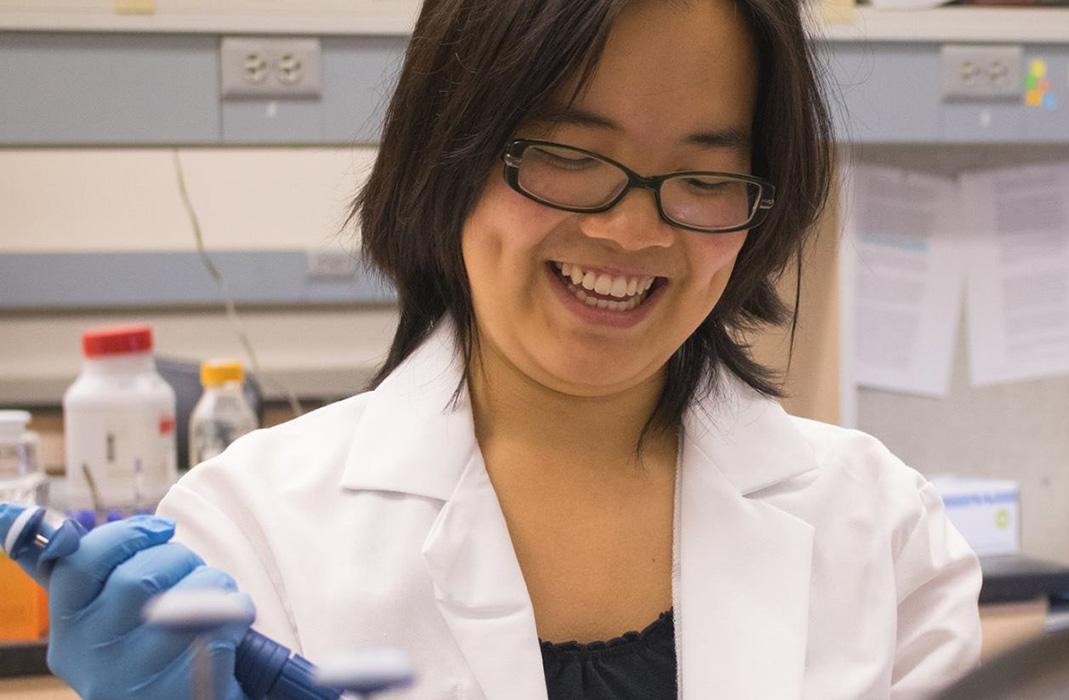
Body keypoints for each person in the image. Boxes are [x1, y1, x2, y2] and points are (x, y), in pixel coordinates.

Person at [43, 0, 982, 698]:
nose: (630, 229)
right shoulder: (250, 534)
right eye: (569, 155)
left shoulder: (883, 532)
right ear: (448, 155)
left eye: (703, 175)